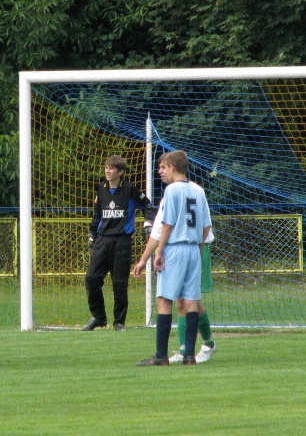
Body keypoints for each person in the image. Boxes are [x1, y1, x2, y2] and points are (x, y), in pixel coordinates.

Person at [135, 150, 211, 366]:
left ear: (173, 168)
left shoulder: (171, 190)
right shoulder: (198, 190)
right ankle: (189, 356)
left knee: (164, 299)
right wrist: (197, 249)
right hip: (193, 250)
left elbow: (166, 224)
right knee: (190, 301)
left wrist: (159, 252)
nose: (160, 171)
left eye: (163, 167)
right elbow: (206, 227)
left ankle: (161, 356)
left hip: (175, 248)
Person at [82, 155, 155, 331]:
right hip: (103, 240)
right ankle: (98, 317)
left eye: (112, 168)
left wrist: (148, 223)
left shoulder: (130, 189)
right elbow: (98, 215)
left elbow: (148, 206)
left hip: (122, 241)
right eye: (106, 167)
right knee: (92, 278)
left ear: (120, 172)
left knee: (119, 282)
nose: (107, 170)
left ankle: (119, 321)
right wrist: (92, 233)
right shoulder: (101, 189)